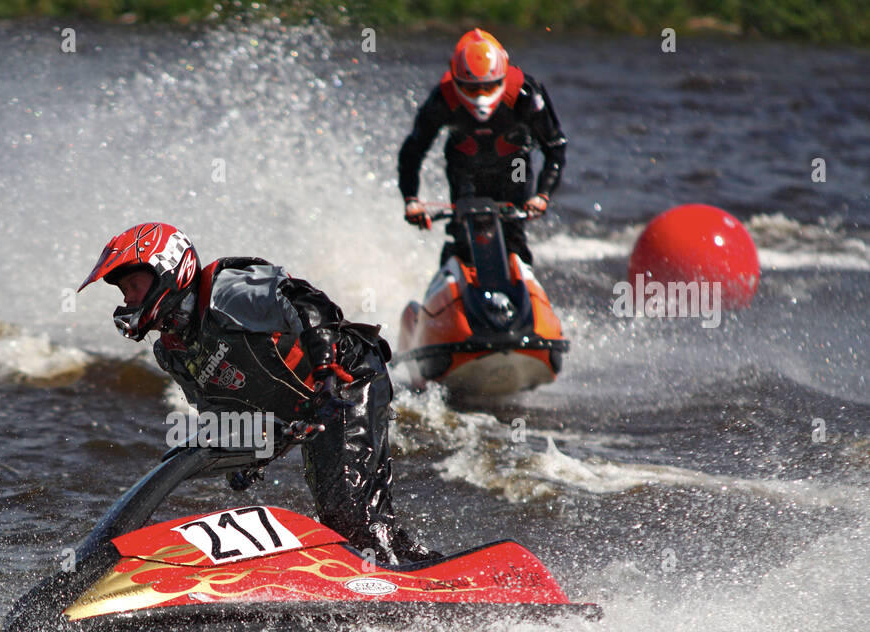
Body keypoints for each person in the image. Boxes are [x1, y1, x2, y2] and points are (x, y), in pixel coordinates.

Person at [78, 221, 433, 565]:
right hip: (310, 407)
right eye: (124, 292)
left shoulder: (224, 291)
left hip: (347, 376)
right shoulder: (171, 353)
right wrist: (246, 455)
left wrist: (326, 374)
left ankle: (403, 583)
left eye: (134, 286)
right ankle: (420, 566)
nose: (128, 299)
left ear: (168, 269)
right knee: (343, 512)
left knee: (348, 509)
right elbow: (218, 412)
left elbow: (309, 304)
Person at [398, 28, 567, 266]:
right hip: (465, 170)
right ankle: (454, 284)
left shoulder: (526, 94)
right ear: (456, 80)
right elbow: (413, 151)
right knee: (465, 240)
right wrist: (411, 199)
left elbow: (555, 146)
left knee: (513, 239)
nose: (480, 96)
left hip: (515, 168)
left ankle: (521, 286)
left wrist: (542, 195)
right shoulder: (442, 99)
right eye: (471, 88)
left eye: (488, 87)